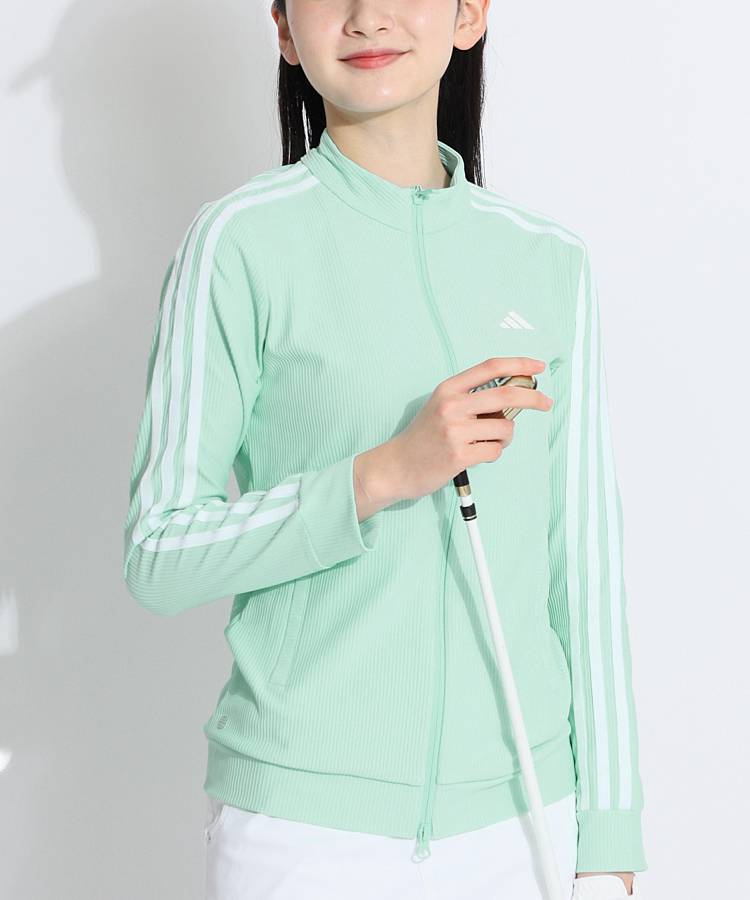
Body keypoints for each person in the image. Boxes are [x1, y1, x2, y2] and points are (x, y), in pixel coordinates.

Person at [122, 1, 648, 897]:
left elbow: (584, 572)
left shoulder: (547, 261)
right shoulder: (238, 242)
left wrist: (609, 836)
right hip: (305, 833)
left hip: (527, 823)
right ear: (284, 29)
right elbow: (159, 552)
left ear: (468, 14)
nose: (368, 16)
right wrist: (378, 477)